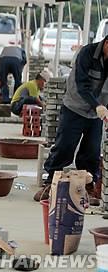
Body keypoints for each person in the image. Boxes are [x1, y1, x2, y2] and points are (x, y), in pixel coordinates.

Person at [35, 36, 108, 203]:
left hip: (97, 113)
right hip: (75, 107)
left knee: (92, 151)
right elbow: (82, 84)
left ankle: (87, 186)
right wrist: (97, 105)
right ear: (106, 44)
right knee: (65, 146)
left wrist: (102, 109)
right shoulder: (87, 54)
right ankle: (51, 182)